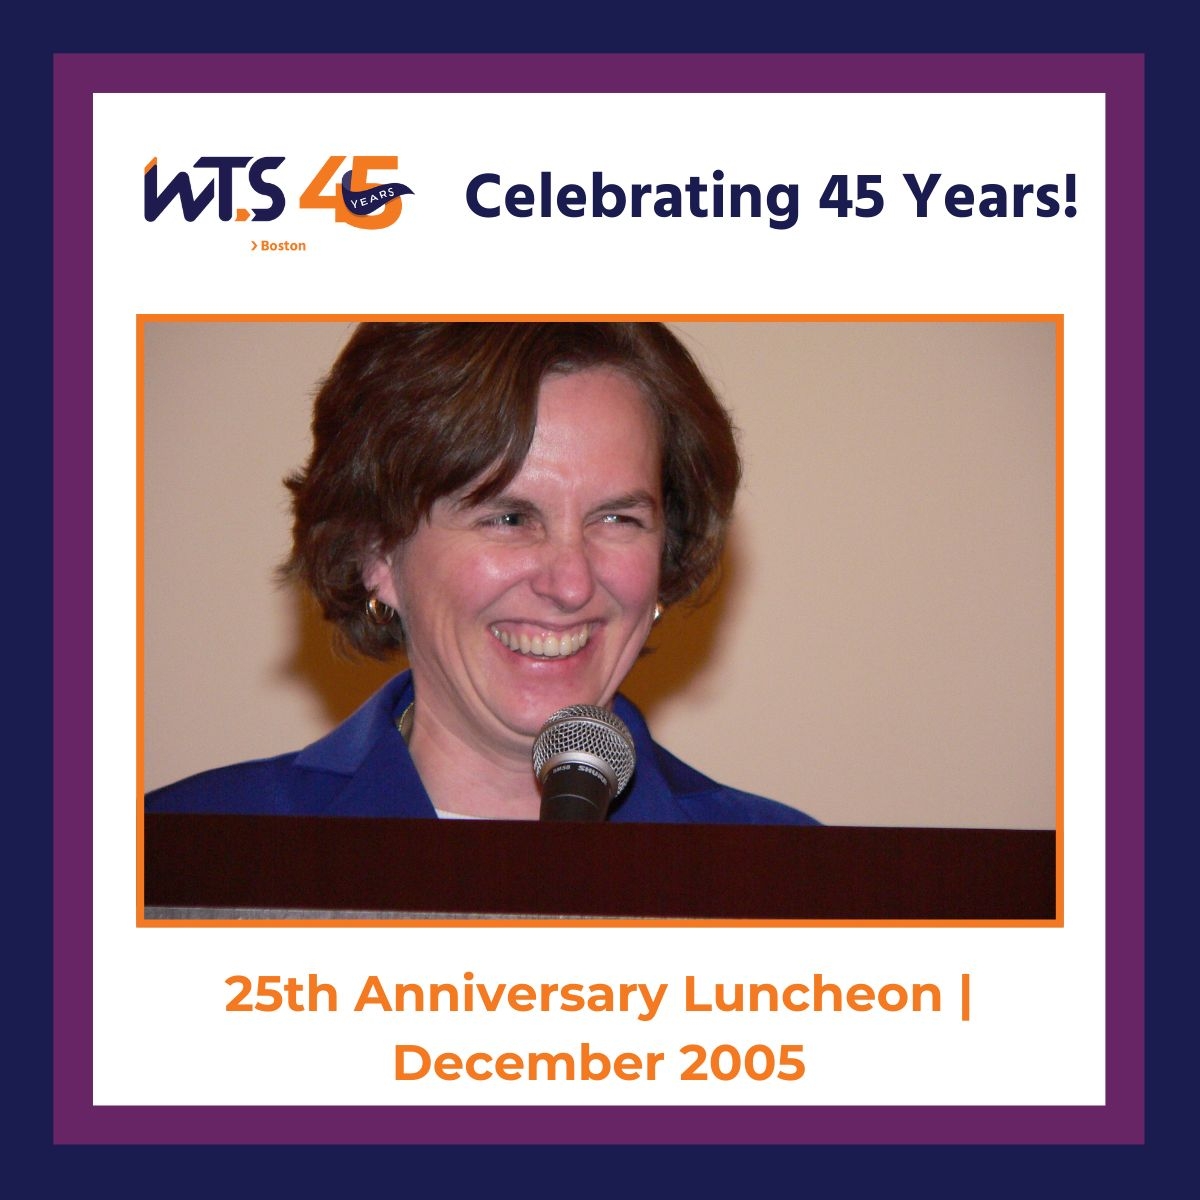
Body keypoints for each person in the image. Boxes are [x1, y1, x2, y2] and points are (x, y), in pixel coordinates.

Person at [145, 322, 817, 825]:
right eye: (509, 518)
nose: (572, 583)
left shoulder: (795, 880)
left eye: (617, 519)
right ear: (377, 551)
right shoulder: (184, 850)